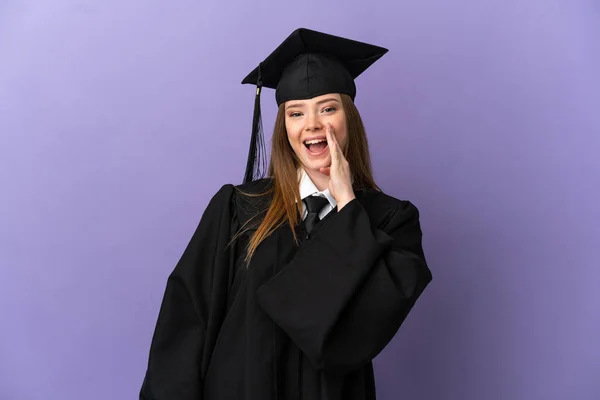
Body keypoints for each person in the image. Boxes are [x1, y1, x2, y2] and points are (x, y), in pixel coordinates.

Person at [139, 27, 432, 400]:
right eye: (296, 113)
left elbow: (354, 337)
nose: (312, 124)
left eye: (328, 108)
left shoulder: (393, 223)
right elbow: (186, 324)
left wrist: (347, 207)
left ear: (349, 118)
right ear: (285, 127)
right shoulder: (238, 207)